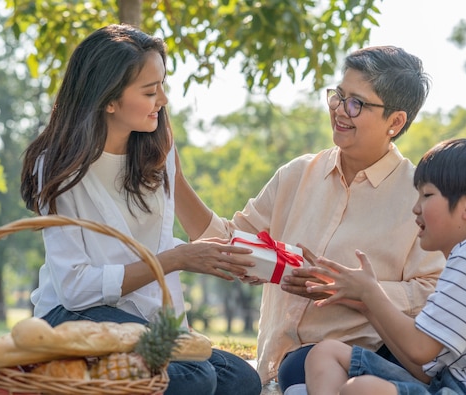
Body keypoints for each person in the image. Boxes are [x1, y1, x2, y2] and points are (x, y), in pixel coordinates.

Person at [174, 45, 446, 393]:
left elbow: (433, 292)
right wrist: (175, 180)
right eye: (338, 96)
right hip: (276, 370)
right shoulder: (298, 174)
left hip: (354, 374)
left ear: (395, 122)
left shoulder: (418, 196)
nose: (339, 111)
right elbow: (229, 242)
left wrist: (356, 291)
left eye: (356, 104)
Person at [19, 24, 262, 395]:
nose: (162, 99)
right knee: (195, 379)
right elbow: (74, 288)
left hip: (138, 320)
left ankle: (103, 378)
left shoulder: (156, 153)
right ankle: (69, 377)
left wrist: (255, 261)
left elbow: (200, 226)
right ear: (108, 100)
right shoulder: (59, 167)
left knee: (241, 380)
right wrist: (175, 260)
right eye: (150, 91)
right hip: (71, 316)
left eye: (162, 86)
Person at [304, 137, 466, 395]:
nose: (415, 208)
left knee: (362, 389)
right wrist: (366, 304)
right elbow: (425, 367)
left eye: (427, 195)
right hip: (454, 384)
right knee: (325, 353)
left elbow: (420, 349)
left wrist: (370, 292)